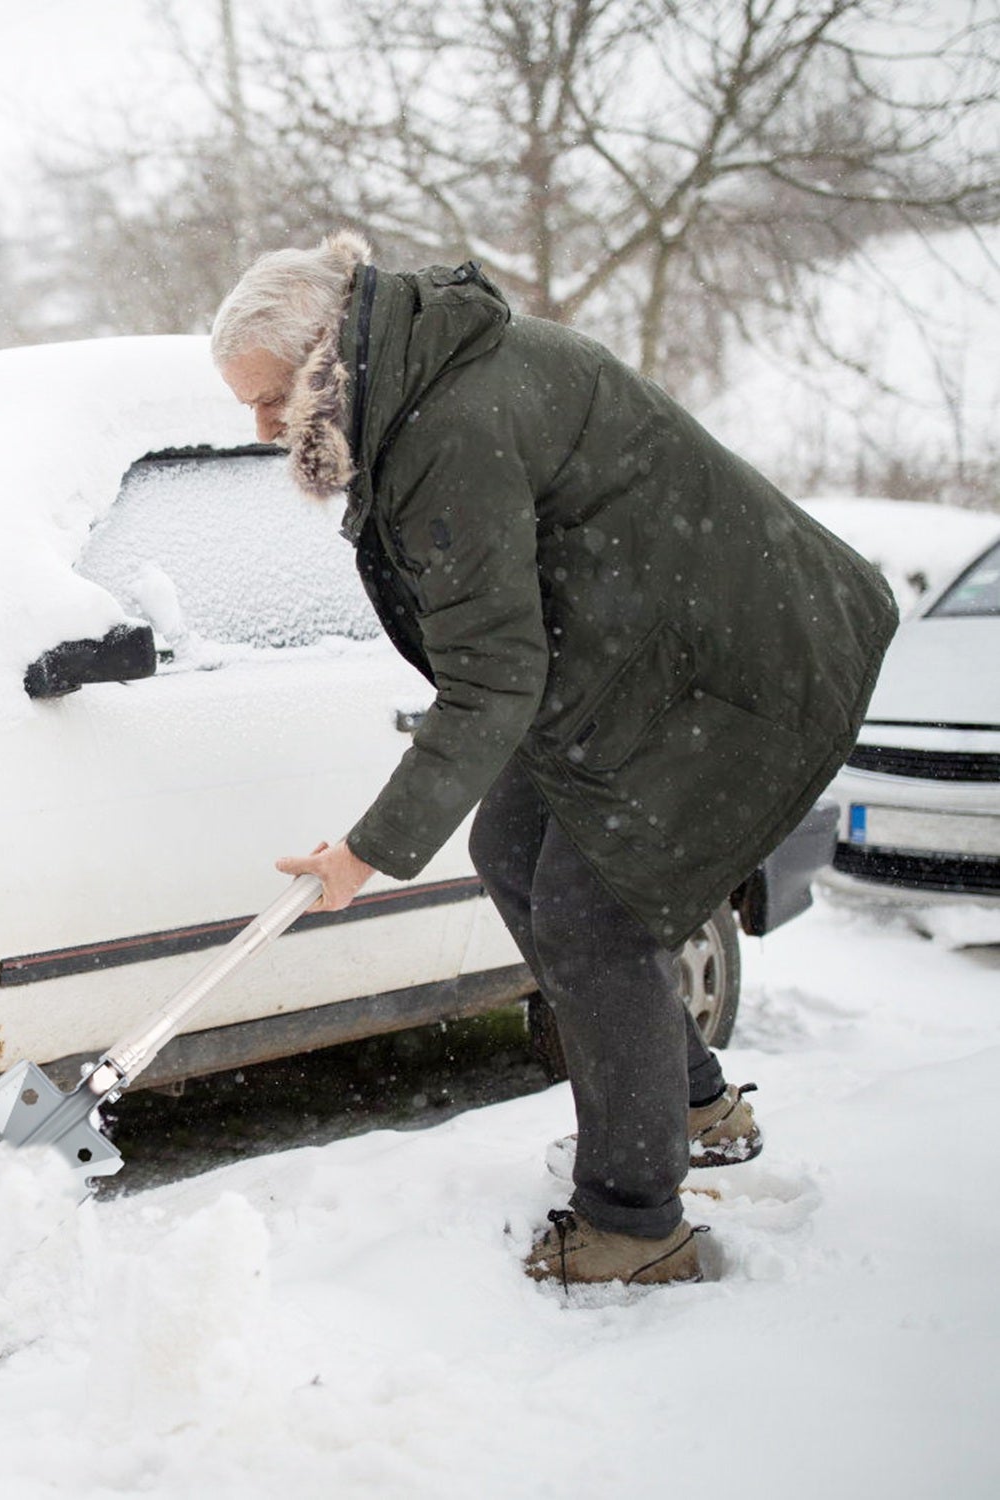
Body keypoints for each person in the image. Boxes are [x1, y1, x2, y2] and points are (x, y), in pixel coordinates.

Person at [211, 231, 897, 1289]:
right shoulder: (428, 379)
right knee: (511, 844)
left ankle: (634, 1225)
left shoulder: (451, 425)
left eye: (265, 402)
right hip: (639, 662)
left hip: (731, 671)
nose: (259, 430)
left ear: (320, 357)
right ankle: (694, 1105)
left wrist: (364, 851)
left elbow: (492, 676)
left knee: (594, 911)